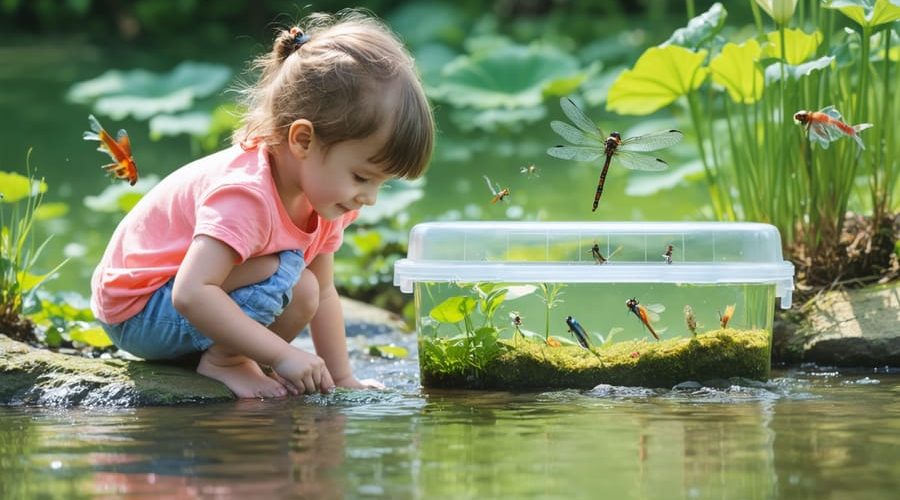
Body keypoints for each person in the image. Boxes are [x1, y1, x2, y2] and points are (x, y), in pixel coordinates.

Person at [89, 10, 434, 399]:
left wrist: (342, 378)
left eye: (381, 185)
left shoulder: (325, 202)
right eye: (361, 177)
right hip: (139, 309)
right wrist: (283, 353)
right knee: (286, 270)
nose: (369, 198)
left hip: (182, 305)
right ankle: (227, 361)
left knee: (306, 287)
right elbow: (190, 291)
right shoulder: (247, 193)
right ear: (302, 140)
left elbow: (323, 294)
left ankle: (235, 356)